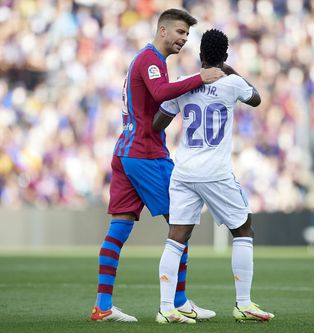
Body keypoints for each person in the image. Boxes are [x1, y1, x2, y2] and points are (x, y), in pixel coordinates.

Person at [90, 9, 224, 322]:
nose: (183, 39)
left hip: (126, 153)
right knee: (182, 223)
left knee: (118, 229)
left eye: (187, 35)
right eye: (179, 32)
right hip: (145, 154)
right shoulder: (150, 59)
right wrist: (199, 78)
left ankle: (103, 305)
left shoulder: (149, 61)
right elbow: (162, 93)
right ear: (162, 30)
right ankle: (178, 302)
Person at [152, 29, 275, 324]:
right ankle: (243, 304)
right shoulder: (232, 83)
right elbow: (256, 99)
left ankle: (166, 308)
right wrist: (232, 72)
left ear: (200, 56)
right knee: (243, 230)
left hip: (184, 171)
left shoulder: (183, 85)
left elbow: (159, 122)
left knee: (176, 238)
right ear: (226, 57)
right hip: (215, 172)